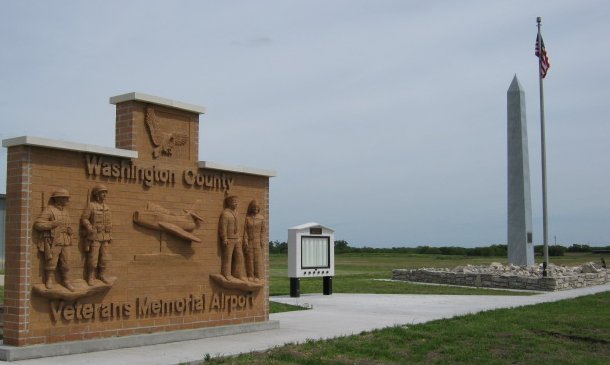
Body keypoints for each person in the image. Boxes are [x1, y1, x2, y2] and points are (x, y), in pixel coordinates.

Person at [34, 188, 75, 291]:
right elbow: (38, 224)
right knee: (52, 261)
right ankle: (48, 280)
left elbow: (68, 225)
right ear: (59, 199)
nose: (67, 201)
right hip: (54, 240)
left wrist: (70, 230)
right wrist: (52, 224)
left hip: (66, 241)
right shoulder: (49, 210)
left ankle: (66, 281)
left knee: (66, 262)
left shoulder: (65, 211)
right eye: (65, 198)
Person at [81, 184, 112, 285]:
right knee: (93, 258)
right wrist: (89, 227)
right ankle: (90, 276)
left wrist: (109, 227)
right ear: (97, 194)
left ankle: (101, 274)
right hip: (95, 236)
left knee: (104, 257)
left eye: (105, 193)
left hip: (105, 236)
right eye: (102, 193)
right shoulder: (91, 205)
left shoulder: (106, 207)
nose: (104, 195)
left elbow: (109, 220)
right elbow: (84, 218)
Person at [218, 195, 246, 281]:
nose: (236, 203)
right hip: (229, 239)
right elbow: (223, 226)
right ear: (229, 202)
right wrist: (224, 238)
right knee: (228, 257)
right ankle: (226, 274)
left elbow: (238, 226)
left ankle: (238, 274)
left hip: (236, 238)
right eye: (234, 201)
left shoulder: (236, 213)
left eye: (237, 201)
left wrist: (239, 237)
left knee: (239, 256)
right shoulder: (225, 213)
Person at [243, 200, 265, 282]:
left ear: (258, 208)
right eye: (253, 207)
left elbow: (263, 231)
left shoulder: (261, 218)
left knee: (257, 259)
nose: (255, 208)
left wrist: (262, 241)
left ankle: (257, 276)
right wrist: (245, 240)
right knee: (249, 259)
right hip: (249, 241)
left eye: (256, 207)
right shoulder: (247, 218)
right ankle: (250, 275)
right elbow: (245, 231)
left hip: (257, 241)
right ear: (251, 208)